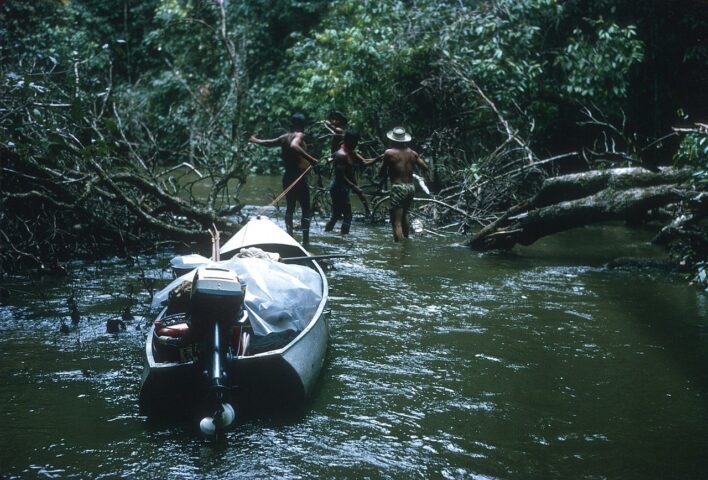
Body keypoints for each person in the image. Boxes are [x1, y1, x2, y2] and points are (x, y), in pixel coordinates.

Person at [249, 113, 318, 244]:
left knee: (290, 208)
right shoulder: (299, 135)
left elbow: (268, 143)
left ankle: (290, 237)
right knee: (305, 209)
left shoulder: (284, 137)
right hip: (299, 178)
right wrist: (312, 159)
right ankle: (306, 241)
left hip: (288, 177)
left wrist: (255, 140)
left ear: (290, 124)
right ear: (302, 126)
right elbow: (294, 146)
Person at [325, 127, 377, 234]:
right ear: (350, 141)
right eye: (356, 141)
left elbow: (364, 163)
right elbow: (341, 176)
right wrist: (354, 187)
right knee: (347, 216)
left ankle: (328, 234)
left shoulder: (351, 152)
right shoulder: (341, 155)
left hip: (343, 187)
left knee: (336, 216)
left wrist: (378, 158)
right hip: (338, 188)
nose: (357, 143)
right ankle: (344, 238)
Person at [379, 126, 428, 242]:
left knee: (396, 223)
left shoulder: (389, 153)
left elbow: (381, 173)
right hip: (410, 187)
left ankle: (399, 251)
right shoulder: (413, 153)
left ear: (393, 140)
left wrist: (386, 163)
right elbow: (425, 167)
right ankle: (406, 243)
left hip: (398, 188)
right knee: (405, 214)